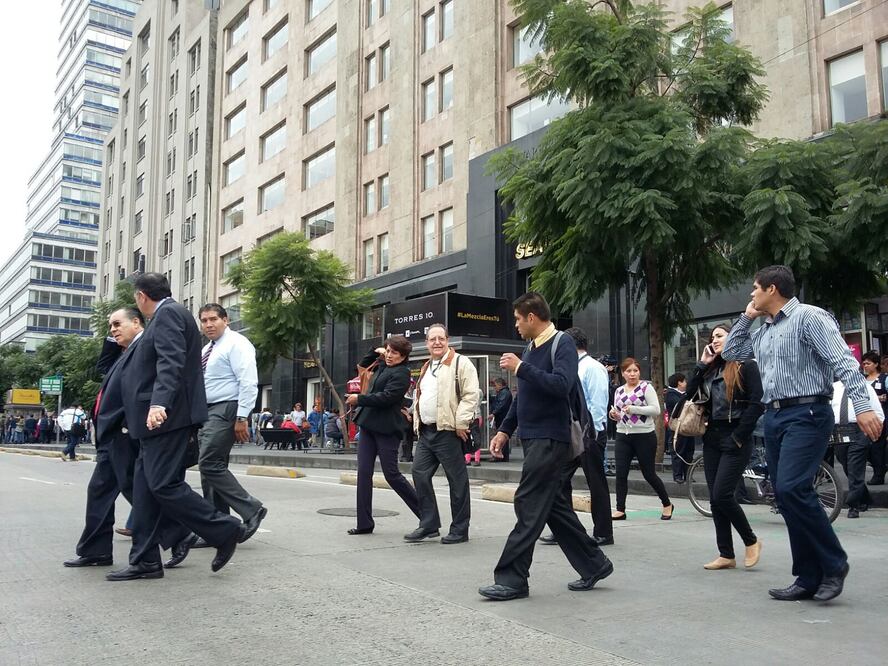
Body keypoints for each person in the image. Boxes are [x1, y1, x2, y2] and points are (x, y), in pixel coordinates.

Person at [722, 265, 882, 602]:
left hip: (808, 412)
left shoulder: (811, 318)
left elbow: (842, 361)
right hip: (776, 416)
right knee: (784, 495)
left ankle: (834, 564)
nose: (751, 294)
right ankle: (808, 576)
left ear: (773, 289)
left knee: (793, 487)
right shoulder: (763, 329)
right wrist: (746, 318)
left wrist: (863, 405)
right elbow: (731, 353)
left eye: (755, 288)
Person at [106, 273, 244, 582]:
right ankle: (144, 561)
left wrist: (159, 404)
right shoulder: (169, 315)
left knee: (163, 484)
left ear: (142, 296)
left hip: (166, 419)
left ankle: (225, 528)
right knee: (145, 492)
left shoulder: (167, 314)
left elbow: (170, 362)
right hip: (154, 422)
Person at [479, 292, 613, 601]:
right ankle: (595, 564)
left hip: (552, 437)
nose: (515, 325)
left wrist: (521, 368)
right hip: (533, 437)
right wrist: (504, 430)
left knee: (527, 501)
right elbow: (522, 396)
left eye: (517, 319)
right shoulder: (530, 347)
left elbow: (561, 384)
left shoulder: (560, 343)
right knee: (552, 505)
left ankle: (513, 579)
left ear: (531, 317)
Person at [63, 308, 145, 568]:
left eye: (117, 324)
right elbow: (103, 367)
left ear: (136, 322)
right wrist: (114, 335)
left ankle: (181, 532)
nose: (112, 329)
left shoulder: (143, 348)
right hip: (110, 436)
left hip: (124, 433)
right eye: (110, 326)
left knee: (138, 489)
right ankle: (96, 550)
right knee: (100, 490)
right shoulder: (123, 354)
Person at [683, 324, 764, 571]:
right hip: (712, 436)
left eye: (719, 335)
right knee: (715, 499)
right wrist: (702, 363)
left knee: (722, 494)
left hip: (736, 435)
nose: (714, 340)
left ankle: (751, 540)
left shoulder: (745, 364)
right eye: (712, 337)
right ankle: (726, 553)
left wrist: (739, 436)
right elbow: (688, 394)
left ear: (733, 337)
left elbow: (757, 402)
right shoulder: (711, 368)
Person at [190, 303, 266, 552]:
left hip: (227, 408)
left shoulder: (237, 343)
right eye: (204, 320)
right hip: (208, 411)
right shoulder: (207, 349)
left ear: (225, 320)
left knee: (210, 463)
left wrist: (242, 416)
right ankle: (217, 528)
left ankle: (252, 509)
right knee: (209, 469)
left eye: (213, 319)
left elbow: (248, 380)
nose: (208, 324)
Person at [540, 327, 614, 547]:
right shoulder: (571, 367)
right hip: (571, 433)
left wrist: (593, 433)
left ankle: (603, 532)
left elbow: (598, 404)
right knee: (560, 480)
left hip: (589, 434)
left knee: (596, 484)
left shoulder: (593, 368)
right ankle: (566, 528)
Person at [406, 324, 479, 544]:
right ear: (427, 343)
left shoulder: (461, 363)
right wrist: (413, 414)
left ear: (448, 340)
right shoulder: (427, 366)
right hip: (426, 432)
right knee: (419, 474)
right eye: (432, 339)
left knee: (457, 482)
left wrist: (461, 422)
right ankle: (428, 524)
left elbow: (470, 395)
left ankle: (460, 529)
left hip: (448, 431)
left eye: (441, 338)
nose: (436, 342)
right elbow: (424, 397)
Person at [345, 336, 421, 535]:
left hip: (387, 428)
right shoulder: (382, 366)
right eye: (388, 351)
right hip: (368, 425)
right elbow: (361, 366)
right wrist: (375, 351)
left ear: (403, 356)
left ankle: (427, 515)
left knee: (392, 475)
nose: (389, 355)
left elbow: (387, 397)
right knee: (363, 474)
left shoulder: (403, 373)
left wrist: (359, 399)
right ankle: (364, 524)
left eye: (394, 353)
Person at [609, 358, 674, 521]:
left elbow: (656, 410)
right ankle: (620, 509)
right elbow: (618, 411)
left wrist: (633, 409)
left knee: (649, 473)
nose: (632, 374)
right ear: (623, 373)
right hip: (623, 435)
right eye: (628, 371)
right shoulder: (619, 391)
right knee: (621, 473)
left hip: (644, 436)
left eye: (635, 371)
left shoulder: (646, 387)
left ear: (639, 372)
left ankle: (667, 504)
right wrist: (614, 415)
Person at [831, 378, 882, 518]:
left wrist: (870, 432)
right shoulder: (833, 387)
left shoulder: (864, 386)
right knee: (848, 467)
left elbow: (878, 412)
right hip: (839, 431)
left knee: (855, 467)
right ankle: (864, 498)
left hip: (859, 430)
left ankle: (853, 506)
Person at [860, 351, 886, 486]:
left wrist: (881, 398)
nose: (865, 366)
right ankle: (880, 468)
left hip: (881, 417)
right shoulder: (862, 381)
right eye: (863, 363)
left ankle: (878, 475)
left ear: (876, 364)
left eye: (868, 363)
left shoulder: (884, 379)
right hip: (865, 418)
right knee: (867, 447)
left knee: (877, 447)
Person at [665, 373, 694, 483]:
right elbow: (681, 405)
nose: (686, 383)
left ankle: (688, 474)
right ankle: (678, 475)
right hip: (677, 428)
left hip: (687, 426)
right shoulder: (671, 394)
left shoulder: (684, 394)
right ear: (679, 382)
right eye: (684, 381)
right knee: (678, 451)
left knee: (688, 452)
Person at [488, 378, 513, 461]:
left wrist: (493, 413)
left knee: (501, 436)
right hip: (502, 417)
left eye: (495, 386)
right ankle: (502, 455)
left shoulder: (504, 393)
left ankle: (500, 455)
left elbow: (501, 405)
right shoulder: (503, 393)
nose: (495, 388)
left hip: (503, 417)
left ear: (500, 385)